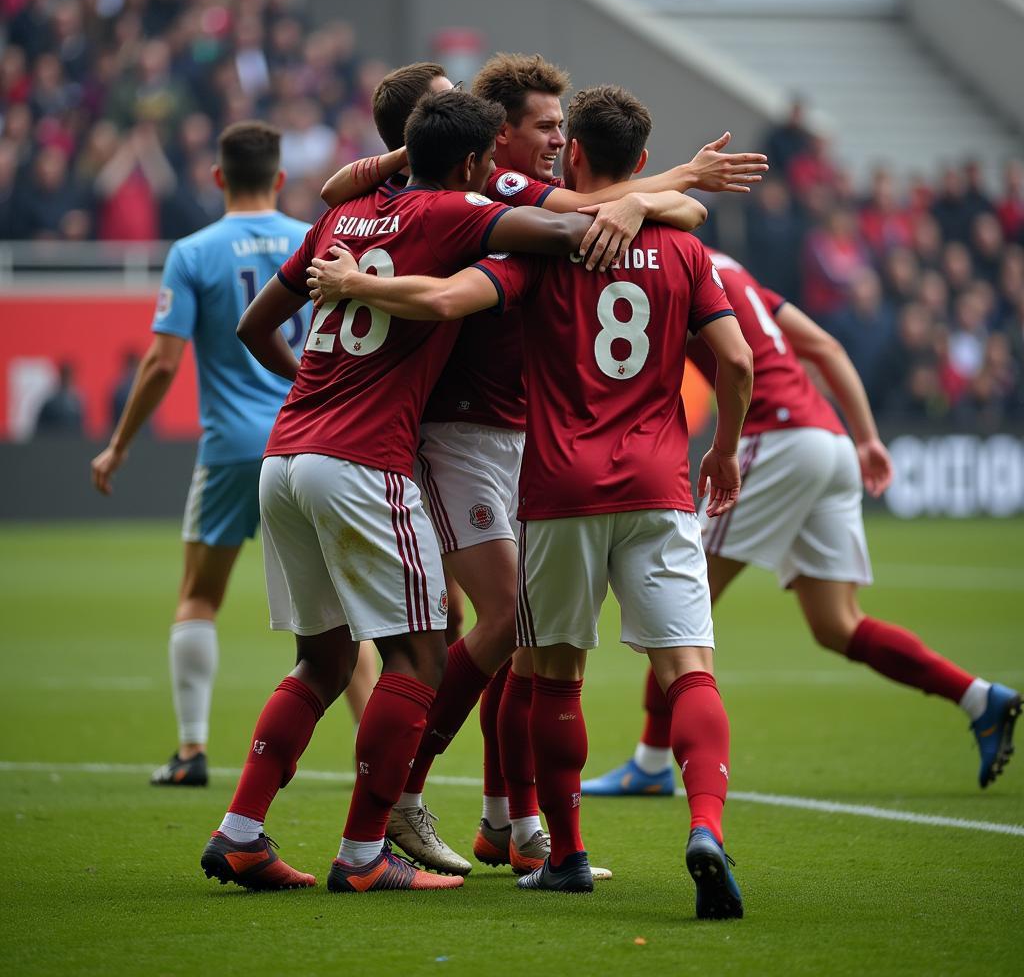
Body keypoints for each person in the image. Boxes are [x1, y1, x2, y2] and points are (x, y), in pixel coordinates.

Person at [308, 85, 754, 918]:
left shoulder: (541, 246)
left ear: (578, 149)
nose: (552, 141)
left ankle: (537, 836)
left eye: (561, 129)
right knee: (676, 664)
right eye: (539, 126)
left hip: (552, 475)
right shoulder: (520, 207)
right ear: (500, 137)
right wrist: (723, 450)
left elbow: (444, 294)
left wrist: (353, 287)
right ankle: (694, 827)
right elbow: (734, 358)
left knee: (545, 666)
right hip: (589, 466)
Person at [200, 88, 643, 893]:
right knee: (421, 654)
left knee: (322, 662)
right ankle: (367, 851)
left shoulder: (342, 217)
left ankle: (241, 833)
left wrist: (320, 384)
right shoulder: (452, 214)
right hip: (364, 460)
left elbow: (253, 326)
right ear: (476, 162)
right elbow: (570, 228)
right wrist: (651, 198)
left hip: (286, 453)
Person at [580, 250, 1021, 799]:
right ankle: (979, 697)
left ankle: (649, 762)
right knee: (838, 623)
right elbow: (825, 347)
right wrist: (866, 438)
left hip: (776, 438)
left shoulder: (669, 268)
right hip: (828, 439)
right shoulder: (730, 268)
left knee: (679, 602)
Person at [90, 121, 374, 787]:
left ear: (218, 177)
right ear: (279, 178)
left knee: (198, 598)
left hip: (228, 450)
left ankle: (191, 751)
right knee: (344, 626)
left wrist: (118, 444)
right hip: (310, 440)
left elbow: (162, 363)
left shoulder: (192, 252)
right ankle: (388, 777)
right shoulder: (320, 235)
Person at [35, 360, 85, 436]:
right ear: (61, 376)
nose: (69, 379)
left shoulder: (78, 402)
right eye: (66, 376)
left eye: (70, 376)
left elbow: (81, 427)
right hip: (54, 442)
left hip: (73, 442)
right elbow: (41, 428)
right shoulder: (51, 403)